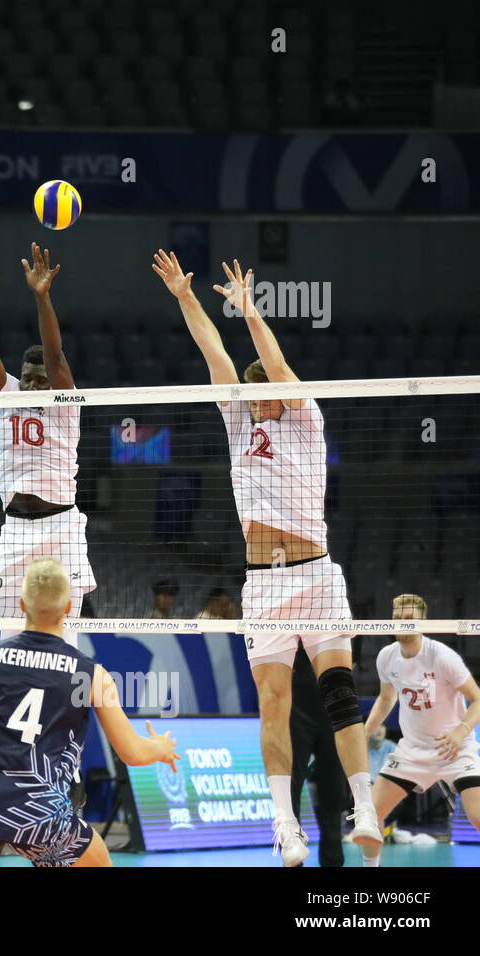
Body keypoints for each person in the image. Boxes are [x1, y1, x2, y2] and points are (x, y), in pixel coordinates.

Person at [153, 251, 381, 864]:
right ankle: (283, 824)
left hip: (318, 576)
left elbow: (274, 362)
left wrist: (250, 310)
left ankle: (365, 805)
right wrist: (185, 297)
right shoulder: (238, 421)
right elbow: (213, 356)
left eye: (261, 393)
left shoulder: (306, 418)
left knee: (339, 694)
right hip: (265, 585)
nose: (254, 400)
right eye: (249, 395)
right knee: (274, 702)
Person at [0, 557, 180, 867]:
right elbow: (132, 754)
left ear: (21, 606)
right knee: (99, 859)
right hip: (40, 815)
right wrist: (161, 748)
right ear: (68, 607)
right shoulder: (91, 675)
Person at [0, 246, 96, 643]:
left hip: (62, 526)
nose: (32, 385)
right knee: (9, 636)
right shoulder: (6, 394)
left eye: (40, 379)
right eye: (28, 377)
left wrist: (41, 296)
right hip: (15, 528)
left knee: (66, 635)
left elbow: (56, 355)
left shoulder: (65, 402)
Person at [360, 593, 480, 867]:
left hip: (454, 749)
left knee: (478, 817)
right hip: (412, 751)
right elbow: (386, 699)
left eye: (409, 619)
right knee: (371, 814)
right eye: (398, 618)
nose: (403, 623)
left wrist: (460, 733)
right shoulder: (386, 657)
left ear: (424, 621)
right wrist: (364, 732)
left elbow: (478, 699)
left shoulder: (441, 656)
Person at [290, 650, 347, 867]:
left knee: (333, 792)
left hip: (332, 713)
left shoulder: (335, 618)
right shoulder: (283, 618)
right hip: (293, 712)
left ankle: (333, 862)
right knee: (290, 788)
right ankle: (293, 860)